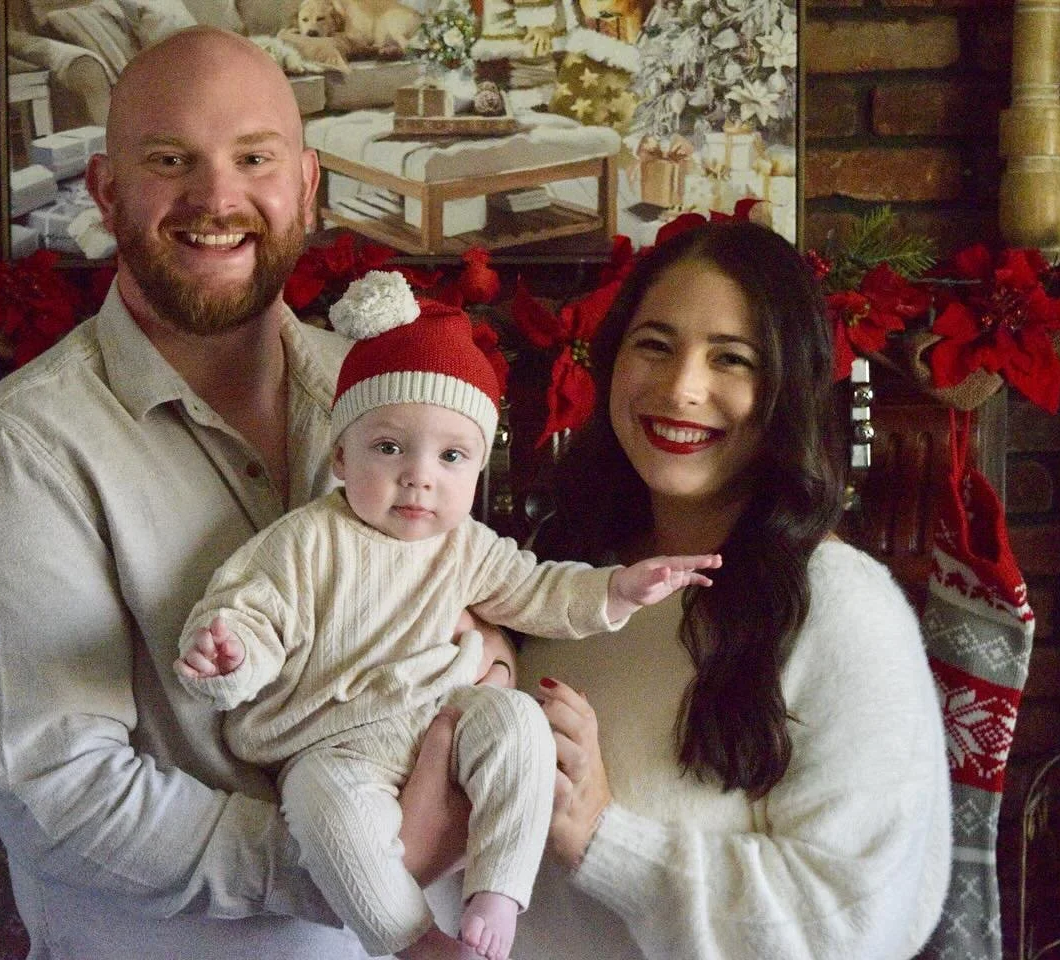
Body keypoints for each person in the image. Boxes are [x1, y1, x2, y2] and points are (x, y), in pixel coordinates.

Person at [0, 27, 492, 960]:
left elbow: (475, 593)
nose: (217, 198)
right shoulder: (16, 450)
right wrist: (352, 865)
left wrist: (495, 677)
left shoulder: (385, 398)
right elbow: (59, 792)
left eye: (253, 158)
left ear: (305, 184)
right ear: (107, 191)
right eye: (170, 160)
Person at [173, 271, 721, 960]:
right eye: (388, 447)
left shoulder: (465, 547)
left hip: (446, 713)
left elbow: (538, 590)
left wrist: (616, 592)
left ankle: (500, 885)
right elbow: (249, 612)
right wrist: (228, 657)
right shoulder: (306, 540)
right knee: (327, 815)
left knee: (521, 721)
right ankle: (412, 941)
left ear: (477, 469)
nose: (419, 475)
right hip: (333, 744)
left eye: (450, 455)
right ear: (341, 454)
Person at [509, 220, 953, 959]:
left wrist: (603, 839)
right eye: (654, 344)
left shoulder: (843, 607)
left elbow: (857, 922)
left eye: (732, 359)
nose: (682, 388)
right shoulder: (561, 576)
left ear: (788, 391)